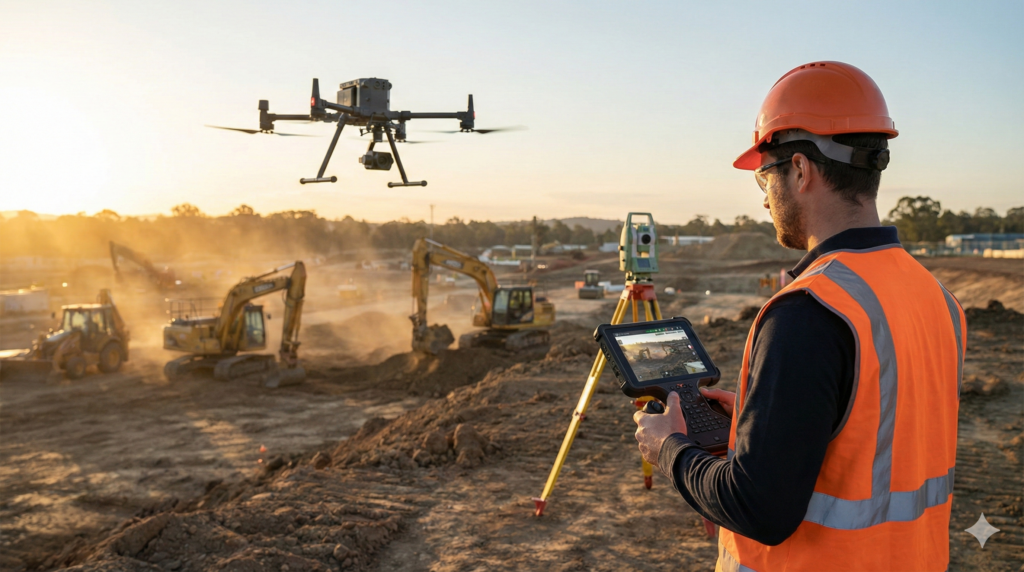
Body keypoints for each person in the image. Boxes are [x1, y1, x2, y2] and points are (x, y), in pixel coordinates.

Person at [633, 61, 965, 571]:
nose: (764, 200)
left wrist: (672, 448)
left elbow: (759, 508)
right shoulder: (934, 296)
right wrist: (766, 423)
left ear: (801, 171)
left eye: (765, 176)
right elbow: (871, 432)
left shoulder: (808, 311)